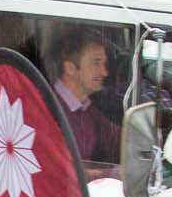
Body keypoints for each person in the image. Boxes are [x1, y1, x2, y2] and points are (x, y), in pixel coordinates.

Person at [46, 29, 121, 163]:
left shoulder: (85, 107)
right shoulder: (46, 109)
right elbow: (58, 168)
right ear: (70, 68)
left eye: (104, 64)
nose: (104, 72)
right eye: (96, 63)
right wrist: (107, 174)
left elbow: (117, 140)